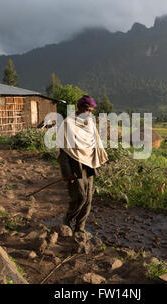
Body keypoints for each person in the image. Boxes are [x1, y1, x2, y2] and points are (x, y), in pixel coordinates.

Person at [56, 95, 108, 235]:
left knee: (88, 199)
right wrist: (67, 173)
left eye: (91, 111)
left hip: (89, 166)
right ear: (79, 108)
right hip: (74, 167)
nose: (89, 113)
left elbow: (95, 143)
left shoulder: (90, 124)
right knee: (80, 197)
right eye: (87, 109)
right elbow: (63, 153)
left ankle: (80, 227)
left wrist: (97, 160)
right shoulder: (68, 124)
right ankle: (67, 221)